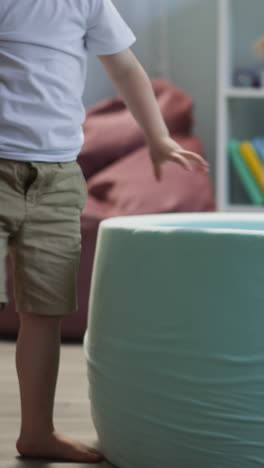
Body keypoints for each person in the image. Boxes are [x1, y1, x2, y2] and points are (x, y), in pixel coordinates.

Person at [0, 0, 209, 463]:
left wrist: (157, 137)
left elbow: (126, 68)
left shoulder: (87, 3)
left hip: (57, 176)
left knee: (46, 309)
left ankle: (36, 432)